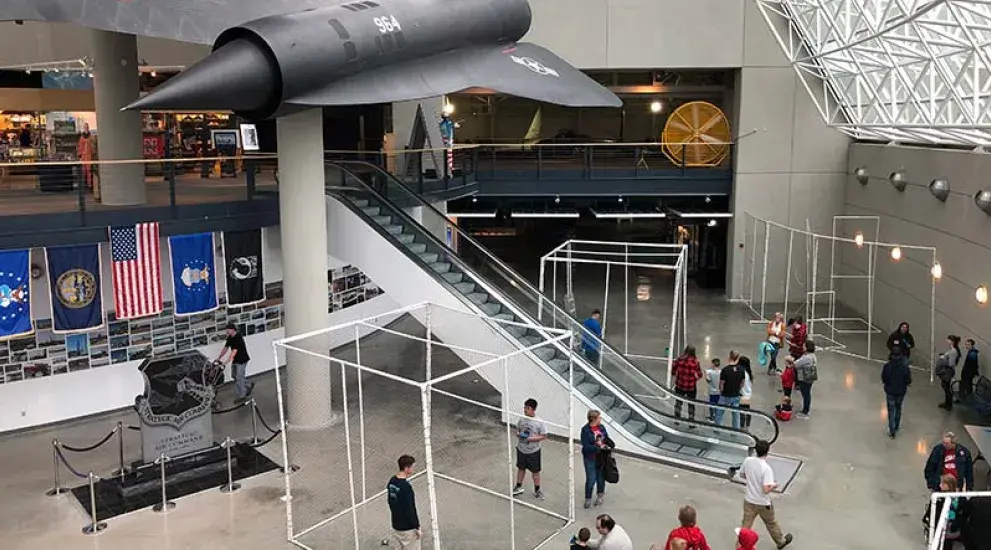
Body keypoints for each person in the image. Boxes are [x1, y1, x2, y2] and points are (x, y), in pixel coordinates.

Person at [740, 439, 794, 549]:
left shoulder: (748, 461)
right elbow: (765, 489)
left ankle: (740, 545)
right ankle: (780, 541)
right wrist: (774, 485)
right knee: (771, 523)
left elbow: (742, 475)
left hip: (749, 500)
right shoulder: (766, 468)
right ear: (767, 452)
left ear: (756, 450)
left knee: (745, 526)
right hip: (763, 503)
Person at [513, 398, 548, 500]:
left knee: (535, 471)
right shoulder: (522, 419)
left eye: (527, 408)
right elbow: (517, 430)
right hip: (521, 449)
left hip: (533, 451)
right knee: (521, 468)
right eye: (524, 408)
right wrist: (519, 434)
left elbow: (544, 435)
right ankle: (518, 487)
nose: (525, 410)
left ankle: (537, 490)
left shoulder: (539, 422)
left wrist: (532, 439)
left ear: (533, 410)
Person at [387, 455, 421, 550]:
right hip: (407, 528)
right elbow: (410, 508)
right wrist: (417, 527)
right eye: (413, 467)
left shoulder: (392, 481)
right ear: (406, 468)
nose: (414, 469)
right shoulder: (406, 487)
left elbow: (390, 501)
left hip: (396, 524)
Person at [581, 409, 613, 509]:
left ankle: (600, 495)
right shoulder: (585, 430)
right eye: (599, 417)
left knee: (601, 477)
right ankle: (588, 498)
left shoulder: (601, 427)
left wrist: (606, 444)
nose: (600, 419)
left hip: (601, 457)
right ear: (593, 419)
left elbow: (607, 438)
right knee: (591, 479)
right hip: (590, 458)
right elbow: (586, 446)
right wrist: (597, 447)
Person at [217, 322, 253, 404]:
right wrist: (219, 357)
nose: (226, 332)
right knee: (234, 376)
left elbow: (234, 351)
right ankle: (249, 384)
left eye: (228, 330)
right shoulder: (230, 337)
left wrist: (226, 362)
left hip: (242, 360)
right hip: (236, 360)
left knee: (239, 377)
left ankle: (242, 396)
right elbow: (225, 348)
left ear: (233, 330)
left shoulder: (238, 338)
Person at [881, 346, 912, 438]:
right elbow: (908, 379)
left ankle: (891, 430)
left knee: (891, 410)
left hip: (890, 390)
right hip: (901, 391)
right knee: (898, 407)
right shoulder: (905, 367)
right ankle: (897, 425)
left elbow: (884, 378)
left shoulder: (887, 366)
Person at [715, 351, 745, 429]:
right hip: (736, 395)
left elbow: (721, 384)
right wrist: (738, 389)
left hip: (725, 395)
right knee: (735, 414)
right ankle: (735, 430)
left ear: (730, 357)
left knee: (719, 413)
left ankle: (717, 429)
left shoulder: (725, 370)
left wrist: (721, 392)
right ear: (738, 358)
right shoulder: (741, 370)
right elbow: (742, 382)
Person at [672, 345, 703, 420]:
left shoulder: (679, 359)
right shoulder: (695, 361)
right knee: (691, 404)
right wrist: (695, 377)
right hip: (691, 386)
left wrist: (675, 374)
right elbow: (700, 374)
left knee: (678, 402)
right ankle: (691, 420)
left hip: (680, 385)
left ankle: (677, 418)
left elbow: (673, 370)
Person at [936, 335, 963, 410]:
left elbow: (951, 363)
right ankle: (947, 402)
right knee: (945, 386)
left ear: (952, 341)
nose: (947, 341)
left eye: (948, 340)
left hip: (947, 371)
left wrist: (943, 358)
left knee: (946, 387)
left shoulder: (953, 352)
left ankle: (949, 404)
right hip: (947, 371)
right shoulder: (952, 350)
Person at [793, 341, 817, 418]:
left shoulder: (807, 357)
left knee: (806, 394)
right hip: (810, 377)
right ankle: (805, 409)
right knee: (807, 393)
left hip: (805, 378)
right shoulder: (813, 356)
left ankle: (805, 411)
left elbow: (796, 364)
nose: (803, 347)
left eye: (804, 346)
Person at [738, 356, 755, 430]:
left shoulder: (742, 372)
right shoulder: (748, 372)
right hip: (748, 394)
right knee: (747, 409)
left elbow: (740, 384)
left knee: (741, 411)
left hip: (742, 394)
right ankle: (747, 425)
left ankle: (742, 426)